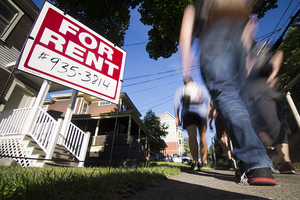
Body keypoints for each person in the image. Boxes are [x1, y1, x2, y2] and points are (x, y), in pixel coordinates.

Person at [179, 0, 276, 185]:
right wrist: (247, 56)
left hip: (214, 39)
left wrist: (186, 66)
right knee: (239, 102)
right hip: (238, 42)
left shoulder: (196, 5)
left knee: (227, 97)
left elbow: (185, 34)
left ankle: (256, 162)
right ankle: (246, 162)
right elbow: (248, 25)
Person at [242, 47, 295, 174]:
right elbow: (279, 53)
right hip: (266, 88)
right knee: (275, 122)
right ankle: (285, 160)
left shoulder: (243, 51)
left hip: (251, 91)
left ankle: (272, 154)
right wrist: (272, 75)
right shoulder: (261, 49)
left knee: (249, 125)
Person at [174, 78, 210, 170]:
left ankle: (195, 162)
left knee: (192, 136)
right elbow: (208, 100)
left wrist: (177, 117)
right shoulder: (200, 88)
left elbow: (176, 104)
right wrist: (209, 113)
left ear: (183, 82)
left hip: (188, 114)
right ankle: (204, 161)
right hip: (201, 113)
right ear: (192, 81)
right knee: (203, 137)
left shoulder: (181, 89)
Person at [208, 101, 236, 170]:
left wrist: (210, 122)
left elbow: (211, 110)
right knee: (233, 136)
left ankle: (230, 160)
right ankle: (235, 160)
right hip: (231, 113)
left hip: (219, 116)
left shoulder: (212, 97)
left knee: (224, 139)